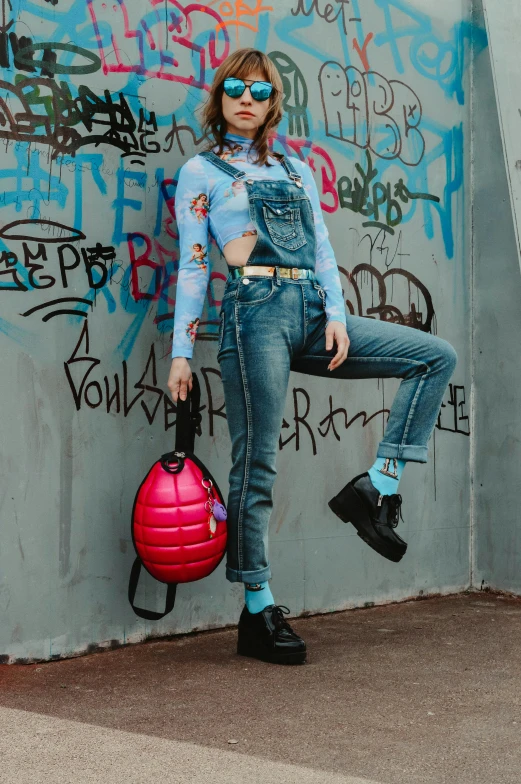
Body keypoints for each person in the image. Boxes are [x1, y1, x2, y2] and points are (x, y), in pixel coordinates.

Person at [169, 48, 457, 666]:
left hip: (313, 311)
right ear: (220, 98)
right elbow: (194, 268)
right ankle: (257, 605)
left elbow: (324, 251)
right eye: (235, 88)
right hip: (254, 314)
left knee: (434, 357)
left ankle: (375, 488)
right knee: (260, 463)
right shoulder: (202, 172)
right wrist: (181, 354)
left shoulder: (297, 170)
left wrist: (335, 314)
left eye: (260, 90)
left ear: (274, 103)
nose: (247, 98)